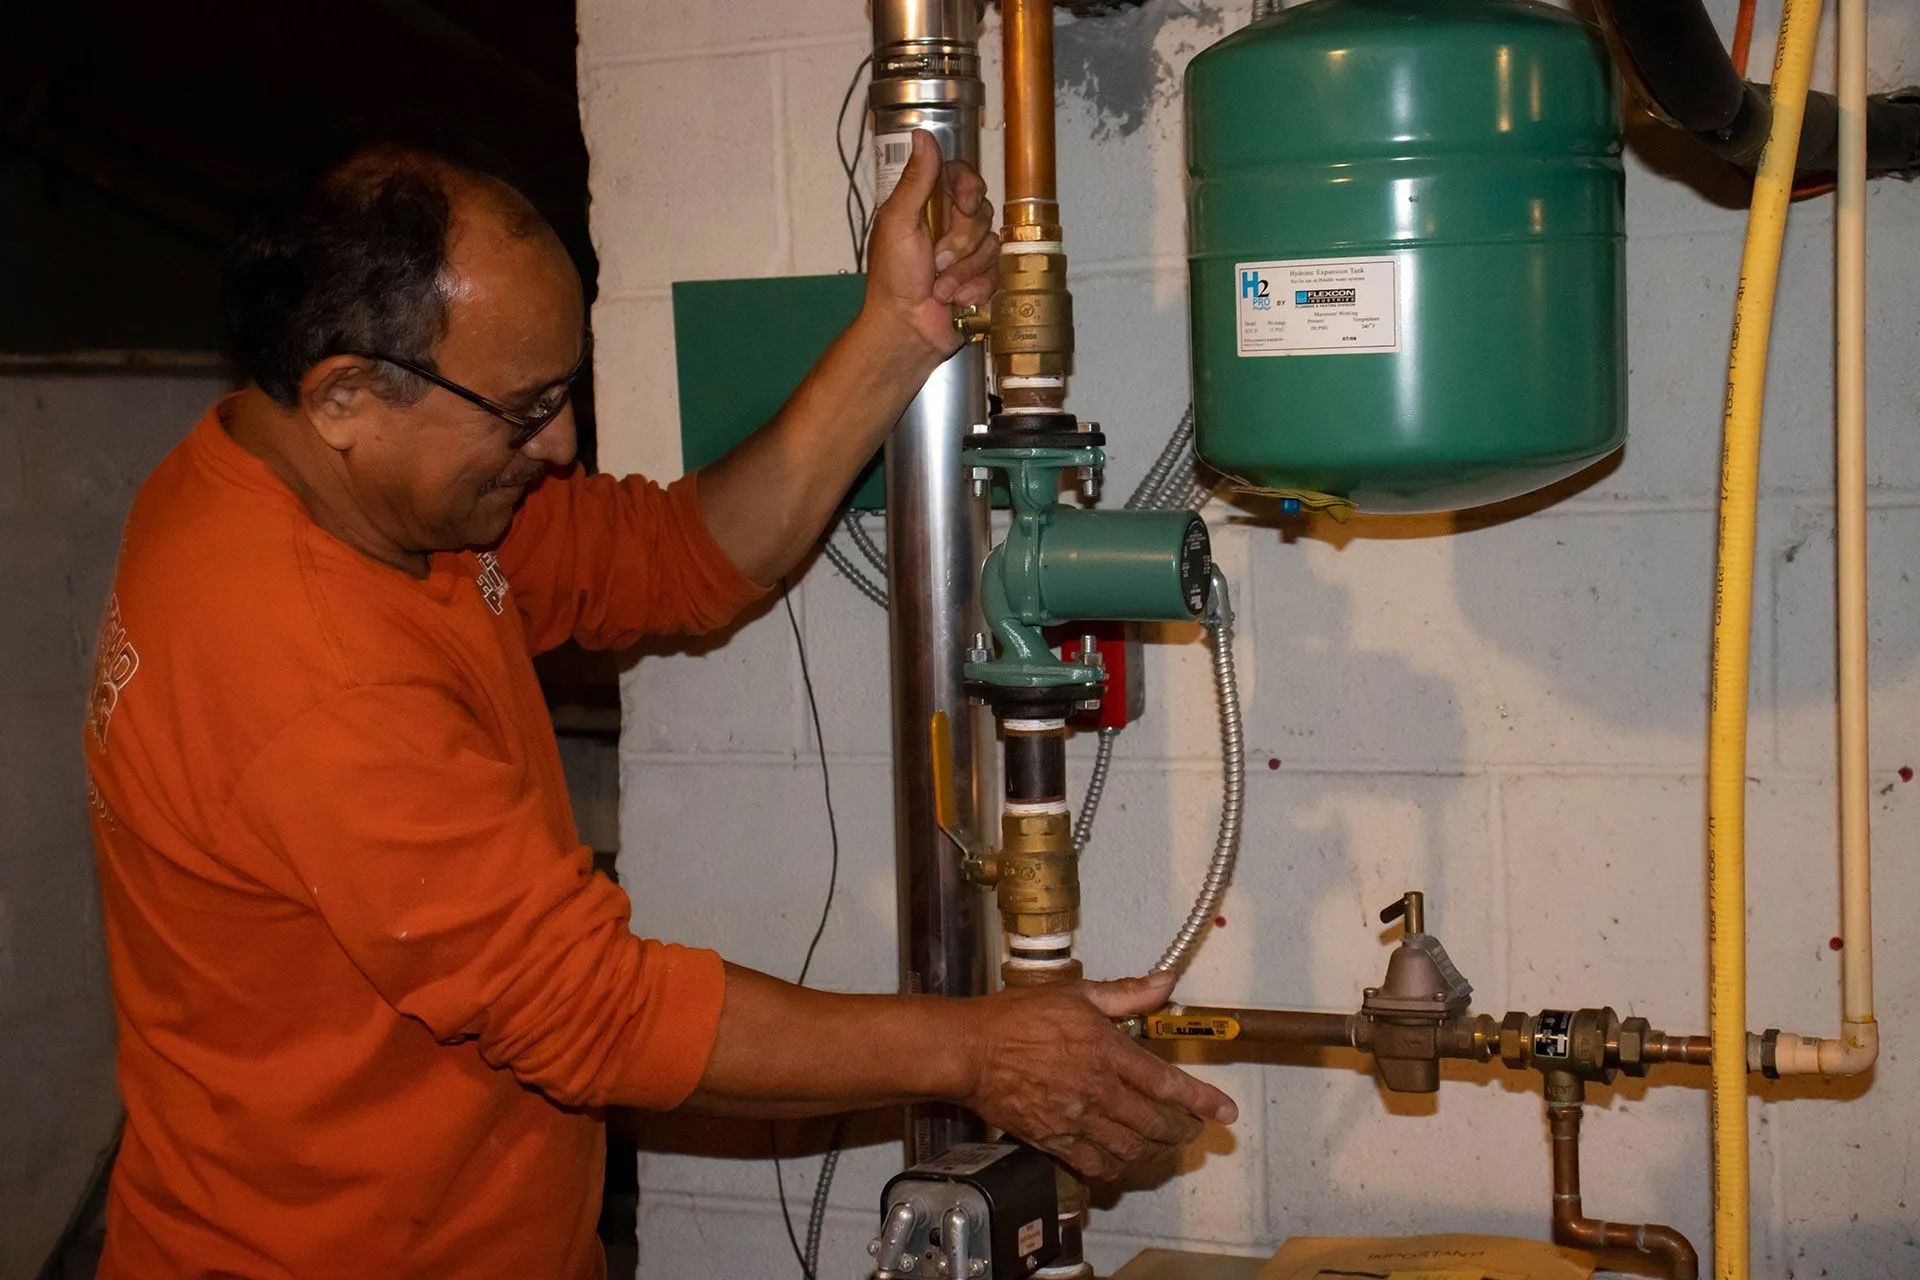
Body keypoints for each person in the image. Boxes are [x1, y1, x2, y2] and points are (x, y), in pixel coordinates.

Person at [83, 130, 1236, 1279]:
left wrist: (898, 334)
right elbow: (593, 1008)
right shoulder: (298, 660)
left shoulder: (346, 488)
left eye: (564, 393)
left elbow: (667, 553)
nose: (562, 441)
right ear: (345, 393)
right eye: (524, 408)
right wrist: (983, 1052)